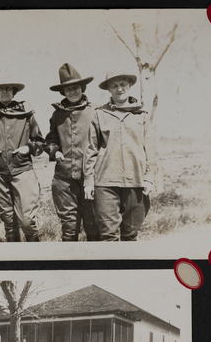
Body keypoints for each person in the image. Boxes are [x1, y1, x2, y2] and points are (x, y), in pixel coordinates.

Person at [84, 69, 158, 241]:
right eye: (114, 86)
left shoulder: (142, 115)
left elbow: (151, 150)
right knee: (108, 235)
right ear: (109, 89)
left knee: (131, 234)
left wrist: (149, 178)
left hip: (136, 181)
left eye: (123, 84)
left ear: (130, 86)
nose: (119, 89)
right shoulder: (100, 114)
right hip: (105, 182)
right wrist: (89, 182)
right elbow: (91, 150)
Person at [0, 79, 44, 242]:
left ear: (14, 91)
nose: (4, 91)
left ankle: (38, 259)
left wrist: (28, 148)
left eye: (8, 88)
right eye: (0, 89)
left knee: (26, 220)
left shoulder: (27, 116)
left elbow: (40, 143)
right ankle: (14, 260)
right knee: (9, 221)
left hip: (23, 171)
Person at [44, 63, 100, 241]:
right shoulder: (57, 115)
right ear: (63, 92)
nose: (72, 92)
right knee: (69, 226)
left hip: (91, 176)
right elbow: (50, 140)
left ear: (82, 88)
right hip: (64, 178)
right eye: (68, 89)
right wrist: (55, 152)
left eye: (75, 87)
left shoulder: (96, 111)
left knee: (93, 223)